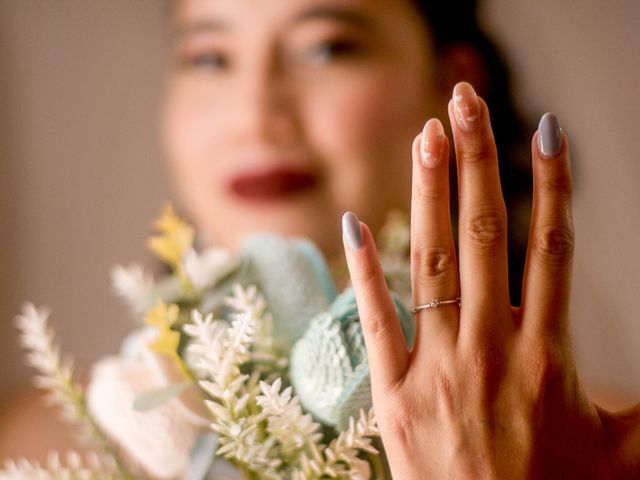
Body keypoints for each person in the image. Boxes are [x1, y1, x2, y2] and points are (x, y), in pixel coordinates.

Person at [1, 0, 638, 477]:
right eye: (209, 57)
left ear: (452, 78)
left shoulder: (599, 454)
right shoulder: (32, 449)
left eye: (327, 48)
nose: (256, 113)